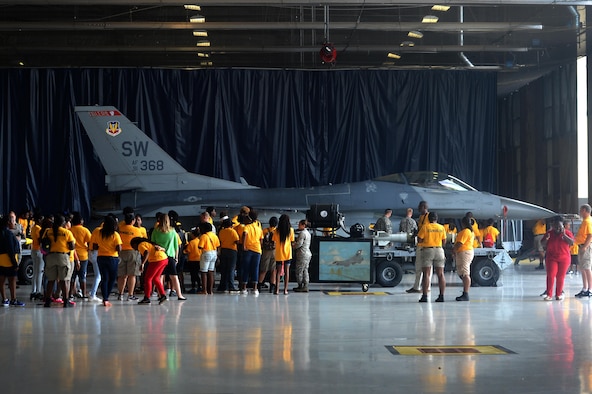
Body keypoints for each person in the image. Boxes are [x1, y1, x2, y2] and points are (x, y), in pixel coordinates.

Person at [151, 212, 186, 301]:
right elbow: (176, 246)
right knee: (174, 276)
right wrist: (176, 257)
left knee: (160, 276)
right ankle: (179, 295)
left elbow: (152, 243)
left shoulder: (156, 231)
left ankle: (160, 294)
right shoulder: (172, 231)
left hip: (159, 257)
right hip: (170, 256)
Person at [43, 214, 76, 308]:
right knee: (64, 280)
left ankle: (48, 301)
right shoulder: (67, 232)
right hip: (63, 257)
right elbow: (72, 246)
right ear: (63, 223)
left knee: (51, 280)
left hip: (50, 257)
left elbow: (44, 242)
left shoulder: (48, 231)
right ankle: (66, 301)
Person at [541, 216, 574, 301]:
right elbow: (543, 244)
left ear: (563, 226)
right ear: (553, 226)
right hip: (551, 258)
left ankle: (558, 294)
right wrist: (546, 239)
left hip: (564, 258)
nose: (558, 229)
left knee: (560, 277)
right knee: (551, 275)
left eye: (560, 227)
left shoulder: (567, 233)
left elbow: (572, 243)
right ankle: (549, 294)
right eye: (556, 227)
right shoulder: (549, 233)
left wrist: (564, 235)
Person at [417, 212, 447, 302]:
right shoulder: (441, 227)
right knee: (441, 274)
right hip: (439, 250)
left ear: (428, 219)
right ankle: (441, 296)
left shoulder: (425, 227)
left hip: (428, 250)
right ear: (436, 219)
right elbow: (444, 241)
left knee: (426, 274)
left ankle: (425, 296)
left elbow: (419, 239)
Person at [93, 215, 122, 307]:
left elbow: (94, 246)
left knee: (104, 278)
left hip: (101, 257)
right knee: (112, 279)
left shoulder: (98, 233)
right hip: (112, 258)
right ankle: (107, 297)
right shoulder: (115, 234)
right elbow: (119, 248)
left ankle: (104, 299)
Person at [131, 237, 168, 305]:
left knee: (148, 278)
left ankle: (147, 298)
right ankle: (163, 295)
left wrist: (142, 264)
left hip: (157, 260)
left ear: (135, 244)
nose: (134, 249)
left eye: (133, 246)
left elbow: (146, 252)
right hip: (164, 259)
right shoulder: (147, 243)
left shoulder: (140, 245)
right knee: (156, 278)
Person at [117, 211, 143, 301]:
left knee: (122, 275)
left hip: (121, 252)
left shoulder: (120, 228)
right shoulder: (137, 230)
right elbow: (140, 242)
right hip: (133, 252)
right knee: (132, 275)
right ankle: (130, 295)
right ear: (133, 220)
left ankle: (120, 294)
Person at [0, 215, 25, 306]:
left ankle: (4, 299)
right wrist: (15, 264)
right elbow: (10, 249)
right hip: (8, 260)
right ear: (8, 223)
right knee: (12, 280)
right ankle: (13, 299)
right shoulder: (8, 234)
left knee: (1, 280)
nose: (15, 223)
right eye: (13, 221)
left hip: (0, 260)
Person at [407, 201, 429, 294]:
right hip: (420, 245)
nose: (418, 208)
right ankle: (416, 287)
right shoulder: (421, 217)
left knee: (427, 268)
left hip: (426, 245)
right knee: (418, 267)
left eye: (420, 207)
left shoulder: (429, 217)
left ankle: (426, 288)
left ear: (424, 207)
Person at [69, 212, 92, 300]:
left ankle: (70, 294)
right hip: (83, 256)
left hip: (72, 256)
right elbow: (90, 241)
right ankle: (84, 293)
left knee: (72, 276)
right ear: (81, 221)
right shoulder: (85, 230)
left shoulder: (70, 230)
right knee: (82, 276)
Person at [240, 210, 263, 295]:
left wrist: (244, 246)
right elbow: (261, 239)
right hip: (257, 250)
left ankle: (244, 288)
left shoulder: (247, 227)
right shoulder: (258, 228)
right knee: (255, 269)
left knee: (246, 268)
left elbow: (244, 234)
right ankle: (255, 289)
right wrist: (259, 247)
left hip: (248, 250)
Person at [453, 216, 475, 301]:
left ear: (463, 223)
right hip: (465, 252)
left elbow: (460, 243)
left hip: (464, 252)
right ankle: (465, 291)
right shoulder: (470, 231)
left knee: (465, 273)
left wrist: (454, 250)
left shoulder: (466, 231)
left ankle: (466, 294)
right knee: (462, 272)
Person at [273, 214, 295, 295]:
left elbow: (274, 240)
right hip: (288, 253)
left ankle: (277, 290)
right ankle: (285, 290)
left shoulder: (276, 230)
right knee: (287, 271)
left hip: (279, 253)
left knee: (278, 272)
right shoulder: (291, 230)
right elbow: (292, 241)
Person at [217, 218, 240, 293]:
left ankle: (223, 285)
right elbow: (237, 241)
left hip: (223, 250)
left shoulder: (221, 231)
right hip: (232, 251)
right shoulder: (233, 231)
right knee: (231, 269)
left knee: (224, 269)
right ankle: (231, 286)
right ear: (230, 225)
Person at [575, 204, 592, 298]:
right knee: (582, 268)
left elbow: (590, 235)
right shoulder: (585, 221)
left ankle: (590, 289)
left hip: (585, 247)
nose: (580, 212)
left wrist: (585, 246)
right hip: (581, 246)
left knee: (587, 268)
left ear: (585, 210)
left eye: (581, 210)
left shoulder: (588, 222)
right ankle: (585, 288)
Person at [198, 222, 220, 295]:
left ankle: (204, 290)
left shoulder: (204, 236)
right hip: (214, 253)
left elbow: (200, 246)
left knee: (203, 272)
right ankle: (210, 290)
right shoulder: (214, 236)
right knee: (211, 272)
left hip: (206, 253)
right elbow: (218, 245)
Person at [259, 216, 278, 293]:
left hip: (265, 251)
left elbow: (261, 241)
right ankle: (272, 287)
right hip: (275, 252)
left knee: (264, 269)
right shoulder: (277, 232)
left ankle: (259, 285)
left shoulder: (264, 231)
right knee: (273, 270)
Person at [292, 219, 312, 293]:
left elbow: (299, 244)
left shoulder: (302, 234)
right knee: (305, 270)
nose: (298, 226)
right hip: (307, 254)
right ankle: (306, 285)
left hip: (302, 254)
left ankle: (300, 285)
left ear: (303, 225)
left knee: (299, 270)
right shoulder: (308, 233)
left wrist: (293, 245)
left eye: (299, 224)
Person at [29, 213, 44, 301]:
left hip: (33, 250)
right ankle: (38, 291)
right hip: (39, 250)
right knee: (40, 272)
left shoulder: (33, 227)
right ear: (39, 220)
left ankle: (33, 291)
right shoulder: (39, 229)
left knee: (35, 272)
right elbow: (39, 240)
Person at [184, 227, 202, 293]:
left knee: (193, 274)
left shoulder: (191, 242)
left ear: (193, 235)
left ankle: (193, 287)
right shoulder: (200, 241)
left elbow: (187, 251)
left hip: (192, 260)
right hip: (199, 259)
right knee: (197, 274)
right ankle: (199, 286)